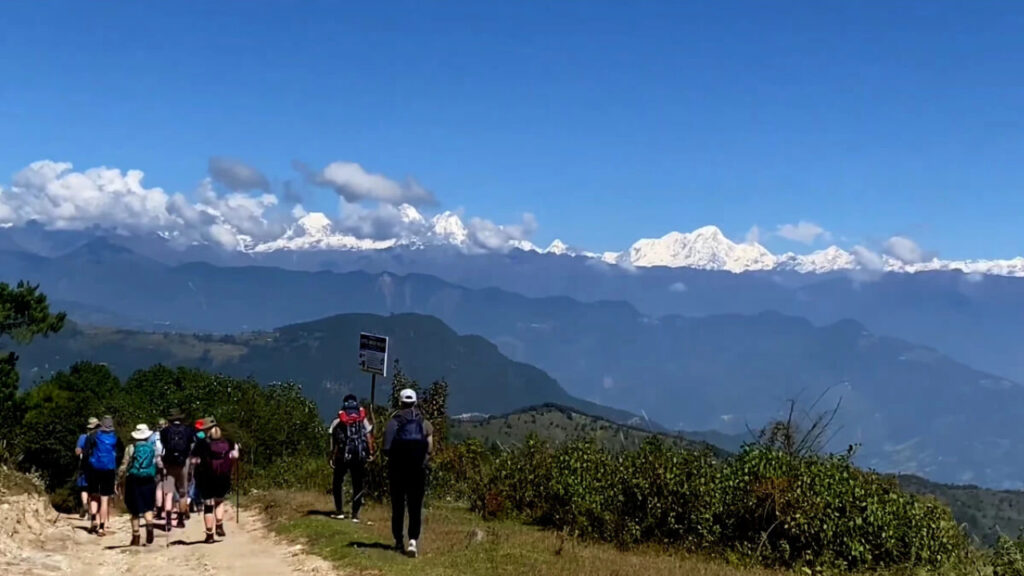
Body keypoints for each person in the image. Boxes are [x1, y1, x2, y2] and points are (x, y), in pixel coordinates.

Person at [383, 389, 434, 558]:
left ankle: (398, 541)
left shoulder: (393, 422)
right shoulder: (424, 423)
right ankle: (413, 541)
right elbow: (430, 448)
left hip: (397, 471)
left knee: (398, 507)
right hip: (418, 471)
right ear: (415, 402)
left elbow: (386, 449)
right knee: (415, 507)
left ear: (400, 402)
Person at [192, 417, 239, 544]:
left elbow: (193, 460)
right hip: (223, 476)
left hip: (206, 477)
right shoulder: (229, 442)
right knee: (219, 502)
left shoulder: (201, 443)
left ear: (206, 429)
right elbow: (235, 456)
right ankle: (219, 525)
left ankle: (209, 535)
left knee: (208, 506)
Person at [328, 394, 374, 521]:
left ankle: (339, 511)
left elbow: (333, 441)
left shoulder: (338, 421)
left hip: (342, 456)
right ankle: (355, 514)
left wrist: (332, 456)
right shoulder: (362, 420)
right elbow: (368, 437)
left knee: (337, 482)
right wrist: (370, 452)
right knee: (357, 483)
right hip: (358, 456)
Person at [118, 424, 158, 546]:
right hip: (149, 479)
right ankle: (150, 524)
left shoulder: (131, 448)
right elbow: (156, 463)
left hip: (133, 479)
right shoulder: (152, 448)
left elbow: (124, 465)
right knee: (148, 506)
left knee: (134, 509)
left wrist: (118, 478)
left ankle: (136, 536)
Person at [83, 415, 123, 536]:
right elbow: (120, 454)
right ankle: (101, 528)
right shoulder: (116, 438)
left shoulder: (93, 436)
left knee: (94, 495)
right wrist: (115, 465)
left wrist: (86, 467)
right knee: (105, 500)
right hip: (109, 470)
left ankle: (94, 519)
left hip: (94, 468)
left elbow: (86, 453)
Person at [159, 409, 195, 530]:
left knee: (168, 492)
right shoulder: (188, 430)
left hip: (169, 464)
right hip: (183, 464)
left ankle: (168, 520)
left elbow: (164, 446)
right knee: (183, 492)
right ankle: (180, 519)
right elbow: (191, 446)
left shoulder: (164, 431)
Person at [74, 417, 100, 518]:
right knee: (93, 489)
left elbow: (77, 451)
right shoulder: (101, 437)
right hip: (98, 466)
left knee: (84, 487)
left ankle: (85, 504)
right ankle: (91, 511)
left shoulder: (83, 437)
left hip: (85, 465)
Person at [152, 418, 166, 520]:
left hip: (155, 462)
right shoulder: (169, 434)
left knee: (158, 486)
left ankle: (159, 509)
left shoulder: (152, 436)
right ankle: (168, 508)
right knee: (169, 485)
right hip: (167, 462)